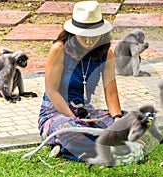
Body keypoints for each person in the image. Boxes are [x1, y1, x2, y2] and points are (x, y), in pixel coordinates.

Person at [38, 1, 144, 163]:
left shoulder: (106, 54)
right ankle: (109, 148)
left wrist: (116, 119)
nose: (88, 41)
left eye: (93, 36)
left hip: (85, 112)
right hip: (57, 113)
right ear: (74, 33)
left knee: (135, 121)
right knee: (68, 130)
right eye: (84, 36)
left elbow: (111, 92)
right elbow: (51, 91)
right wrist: (73, 118)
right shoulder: (59, 49)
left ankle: (76, 146)